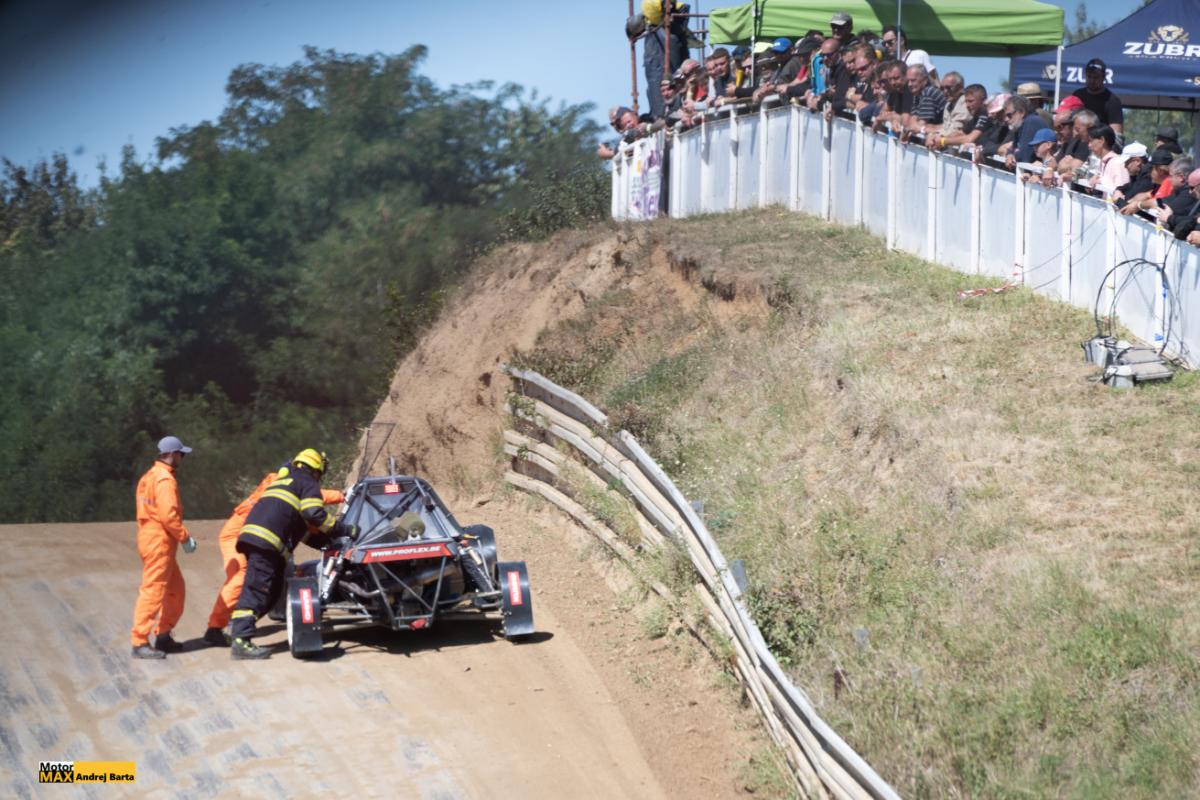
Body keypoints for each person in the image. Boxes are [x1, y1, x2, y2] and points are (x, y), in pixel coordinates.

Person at [229, 449, 353, 659]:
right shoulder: (307, 482)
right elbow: (315, 514)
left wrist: (328, 545)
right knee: (258, 588)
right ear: (316, 470)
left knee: (273, 589)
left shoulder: (286, 481)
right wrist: (345, 530)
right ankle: (240, 640)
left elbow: (302, 531)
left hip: (259, 539)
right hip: (266, 542)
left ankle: (238, 629)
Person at [203, 463, 345, 646]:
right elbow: (318, 496)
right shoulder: (279, 481)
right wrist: (342, 495)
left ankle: (244, 620)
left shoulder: (291, 489)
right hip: (239, 532)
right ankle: (217, 627)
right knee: (242, 577)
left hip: (257, 532)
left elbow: (306, 529)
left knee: (273, 580)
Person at [131, 435, 198, 659]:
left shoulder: (149, 476)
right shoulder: (165, 480)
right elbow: (168, 516)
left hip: (152, 537)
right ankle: (139, 642)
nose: (183, 458)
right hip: (159, 540)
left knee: (175, 590)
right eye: (181, 454)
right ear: (171, 454)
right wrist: (185, 537)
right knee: (153, 591)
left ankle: (163, 636)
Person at [1071, 58, 1123, 139]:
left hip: (1099, 143)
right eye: (1089, 76)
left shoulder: (1112, 101)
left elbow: (1116, 135)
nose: (1092, 80)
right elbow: (1070, 122)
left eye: (1096, 77)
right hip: (1077, 141)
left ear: (1103, 77)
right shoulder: (1077, 95)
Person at [999, 95, 1049, 167]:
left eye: (1009, 115)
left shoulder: (1032, 122)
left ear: (1022, 112)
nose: (1006, 119)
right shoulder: (1019, 125)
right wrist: (1010, 154)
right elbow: (1013, 148)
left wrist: (1012, 155)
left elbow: (1024, 156)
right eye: (1005, 116)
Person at [902, 64, 946, 137]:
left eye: (913, 80)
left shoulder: (929, 92)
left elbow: (921, 124)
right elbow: (913, 119)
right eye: (908, 81)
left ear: (924, 80)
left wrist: (907, 131)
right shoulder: (917, 93)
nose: (909, 84)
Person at [1087, 125, 1129, 193]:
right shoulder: (1103, 162)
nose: (1089, 145)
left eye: (1091, 141)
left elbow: (1122, 191)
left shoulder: (1118, 163)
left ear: (1102, 140)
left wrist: (1100, 181)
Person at [938, 72, 969, 136]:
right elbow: (945, 128)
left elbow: (955, 131)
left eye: (948, 88)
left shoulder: (965, 103)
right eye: (942, 88)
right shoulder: (948, 104)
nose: (945, 91)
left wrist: (935, 136)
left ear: (960, 87)